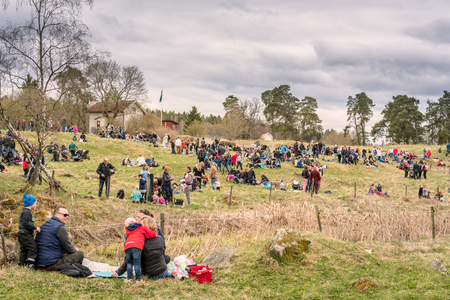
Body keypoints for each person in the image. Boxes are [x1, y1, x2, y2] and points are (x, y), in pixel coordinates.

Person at [113, 216, 174, 280]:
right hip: (163, 270)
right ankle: (169, 275)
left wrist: (118, 272)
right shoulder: (160, 238)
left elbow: (130, 260)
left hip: (150, 274)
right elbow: (162, 254)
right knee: (166, 258)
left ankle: (167, 276)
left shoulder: (140, 242)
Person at [35, 206, 84, 270]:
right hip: (50, 264)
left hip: (38, 263)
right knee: (80, 254)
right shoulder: (60, 227)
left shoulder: (45, 225)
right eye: (65, 215)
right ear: (56, 214)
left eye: (67, 215)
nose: (67, 217)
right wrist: (75, 250)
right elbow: (69, 248)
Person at [123, 217, 156, 283]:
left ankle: (129, 279)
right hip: (136, 246)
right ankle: (138, 279)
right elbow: (150, 235)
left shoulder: (130, 229)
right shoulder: (142, 227)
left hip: (127, 246)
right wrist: (154, 233)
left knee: (129, 263)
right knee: (136, 263)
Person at [18, 194, 40, 268]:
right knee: (32, 247)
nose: (36, 205)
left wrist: (31, 229)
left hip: (23, 233)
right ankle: (30, 264)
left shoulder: (25, 211)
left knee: (24, 249)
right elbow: (26, 223)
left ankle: (22, 263)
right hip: (25, 234)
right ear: (32, 204)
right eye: (35, 203)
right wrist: (34, 227)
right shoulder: (27, 212)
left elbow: (26, 224)